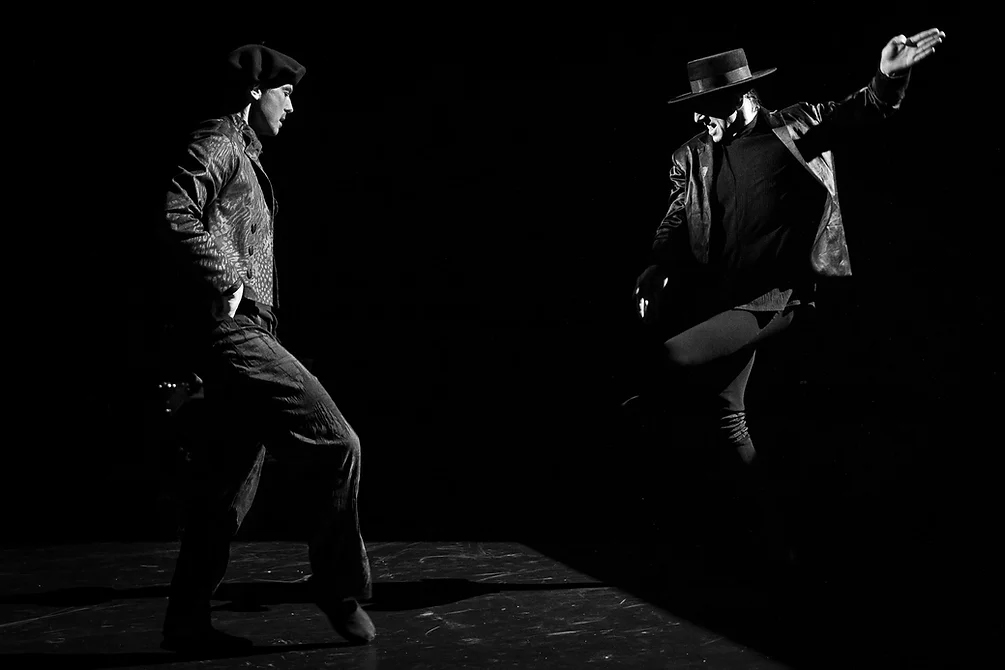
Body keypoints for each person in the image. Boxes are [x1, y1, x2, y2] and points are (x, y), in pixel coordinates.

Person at [630, 29, 945, 549]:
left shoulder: (795, 127)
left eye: (709, 106)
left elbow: (860, 110)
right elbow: (676, 218)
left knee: (670, 359)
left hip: (778, 297)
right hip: (725, 297)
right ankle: (774, 537)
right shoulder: (691, 155)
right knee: (728, 417)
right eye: (695, 107)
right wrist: (655, 264)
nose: (699, 117)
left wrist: (889, 78)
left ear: (744, 96)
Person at [157, 44, 376, 651]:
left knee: (225, 491)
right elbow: (176, 207)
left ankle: (186, 623)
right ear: (256, 91)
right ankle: (338, 588)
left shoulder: (245, 155)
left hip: (247, 334)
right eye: (285, 93)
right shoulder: (219, 140)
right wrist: (225, 275)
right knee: (337, 442)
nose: (291, 106)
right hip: (234, 333)